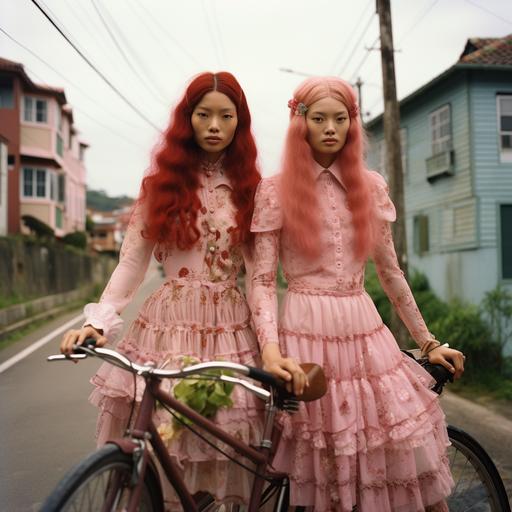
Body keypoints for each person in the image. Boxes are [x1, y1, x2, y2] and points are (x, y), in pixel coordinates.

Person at [249, 76, 465, 512]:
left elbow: (389, 272)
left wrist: (428, 341)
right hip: (304, 331)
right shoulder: (274, 190)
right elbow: (261, 281)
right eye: (319, 118)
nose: (331, 127)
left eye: (341, 118)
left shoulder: (370, 185)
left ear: (351, 124)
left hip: (365, 332)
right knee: (318, 459)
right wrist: (270, 351)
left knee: (387, 446)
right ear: (300, 123)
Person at [61, 71, 263, 508]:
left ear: (238, 123)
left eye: (226, 116)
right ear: (186, 120)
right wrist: (98, 322)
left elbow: (262, 277)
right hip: (166, 326)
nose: (214, 125)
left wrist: (276, 344)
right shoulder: (160, 186)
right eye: (203, 114)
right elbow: (132, 263)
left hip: (230, 328)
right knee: (161, 438)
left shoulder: (251, 191)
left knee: (224, 441)